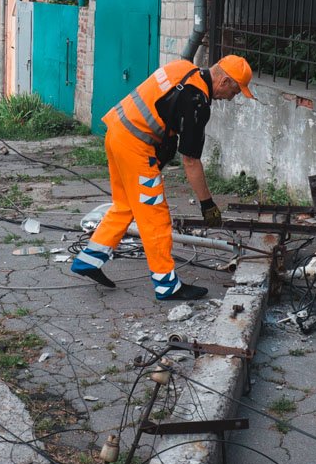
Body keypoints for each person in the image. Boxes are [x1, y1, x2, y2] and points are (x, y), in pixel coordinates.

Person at [71, 54, 254, 301]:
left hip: (117, 131)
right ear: (223, 81)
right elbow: (190, 161)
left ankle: (88, 260)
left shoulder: (183, 67)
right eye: (235, 91)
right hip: (136, 147)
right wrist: (207, 204)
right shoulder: (197, 101)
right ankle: (167, 285)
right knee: (155, 215)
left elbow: (159, 105)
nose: (232, 98)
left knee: (125, 206)